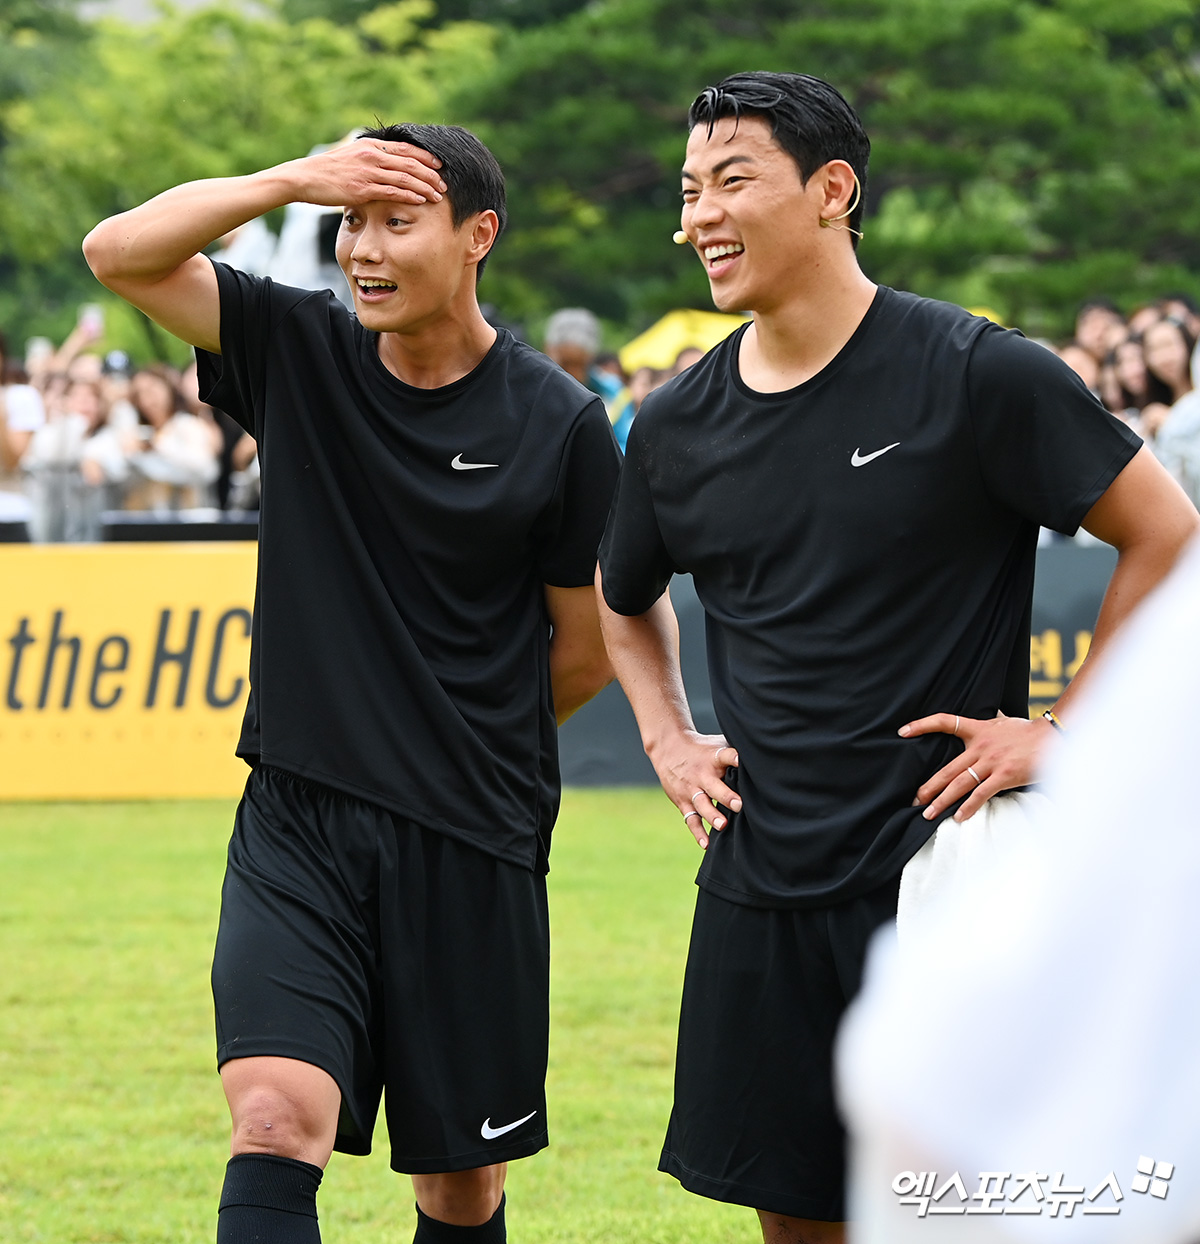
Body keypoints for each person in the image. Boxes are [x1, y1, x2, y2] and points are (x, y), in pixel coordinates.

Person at [594, 71, 1198, 1244]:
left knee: (969, 1217)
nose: (697, 217)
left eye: (731, 181)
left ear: (833, 191)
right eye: (686, 190)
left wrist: (1063, 730)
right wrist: (667, 735)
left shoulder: (978, 370)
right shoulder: (671, 425)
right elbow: (621, 603)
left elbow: (1167, 533)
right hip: (760, 885)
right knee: (798, 1224)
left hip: (945, 877)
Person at [83, 121, 621, 1244]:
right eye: (350, 222)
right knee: (275, 1115)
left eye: (395, 220)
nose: (362, 249)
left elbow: (585, 642)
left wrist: (455, 738)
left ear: (479, 235)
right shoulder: (298, 344)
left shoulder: (559, 423)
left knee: (460, 1188)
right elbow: (118, 254)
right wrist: (288, 176)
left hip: (471, 835)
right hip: (298, 816)